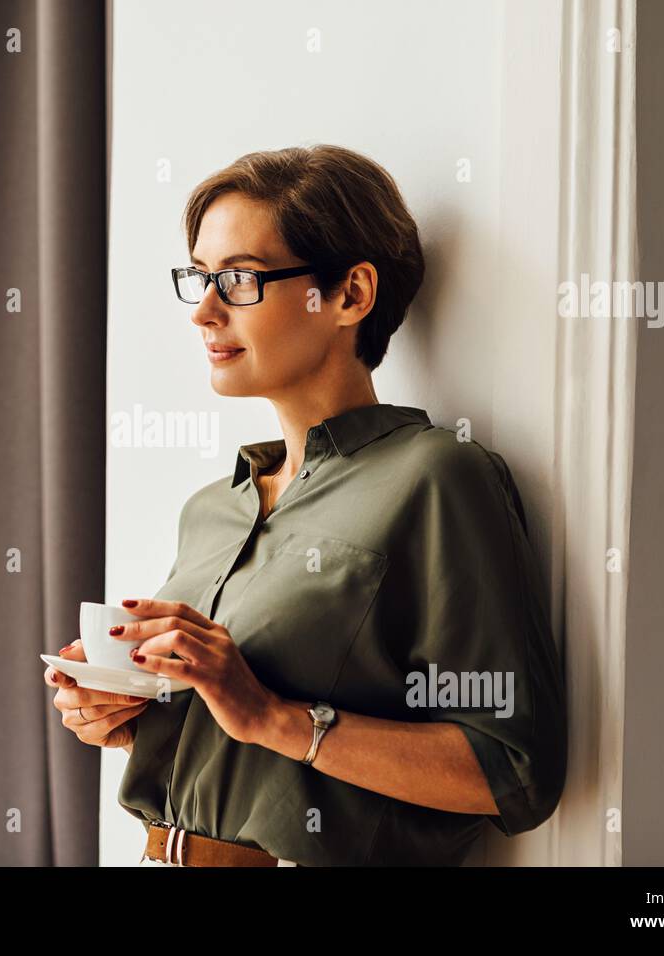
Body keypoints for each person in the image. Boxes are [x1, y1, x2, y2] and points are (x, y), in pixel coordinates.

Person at [44, 144, 567, 866]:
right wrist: (126, 713)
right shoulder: (211, 510)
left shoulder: (438, 479)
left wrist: (274, 718)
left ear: (350, 295)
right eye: (199, 278)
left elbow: (514, 770)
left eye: (238, 279)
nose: (203, 311)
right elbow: (240, 744)